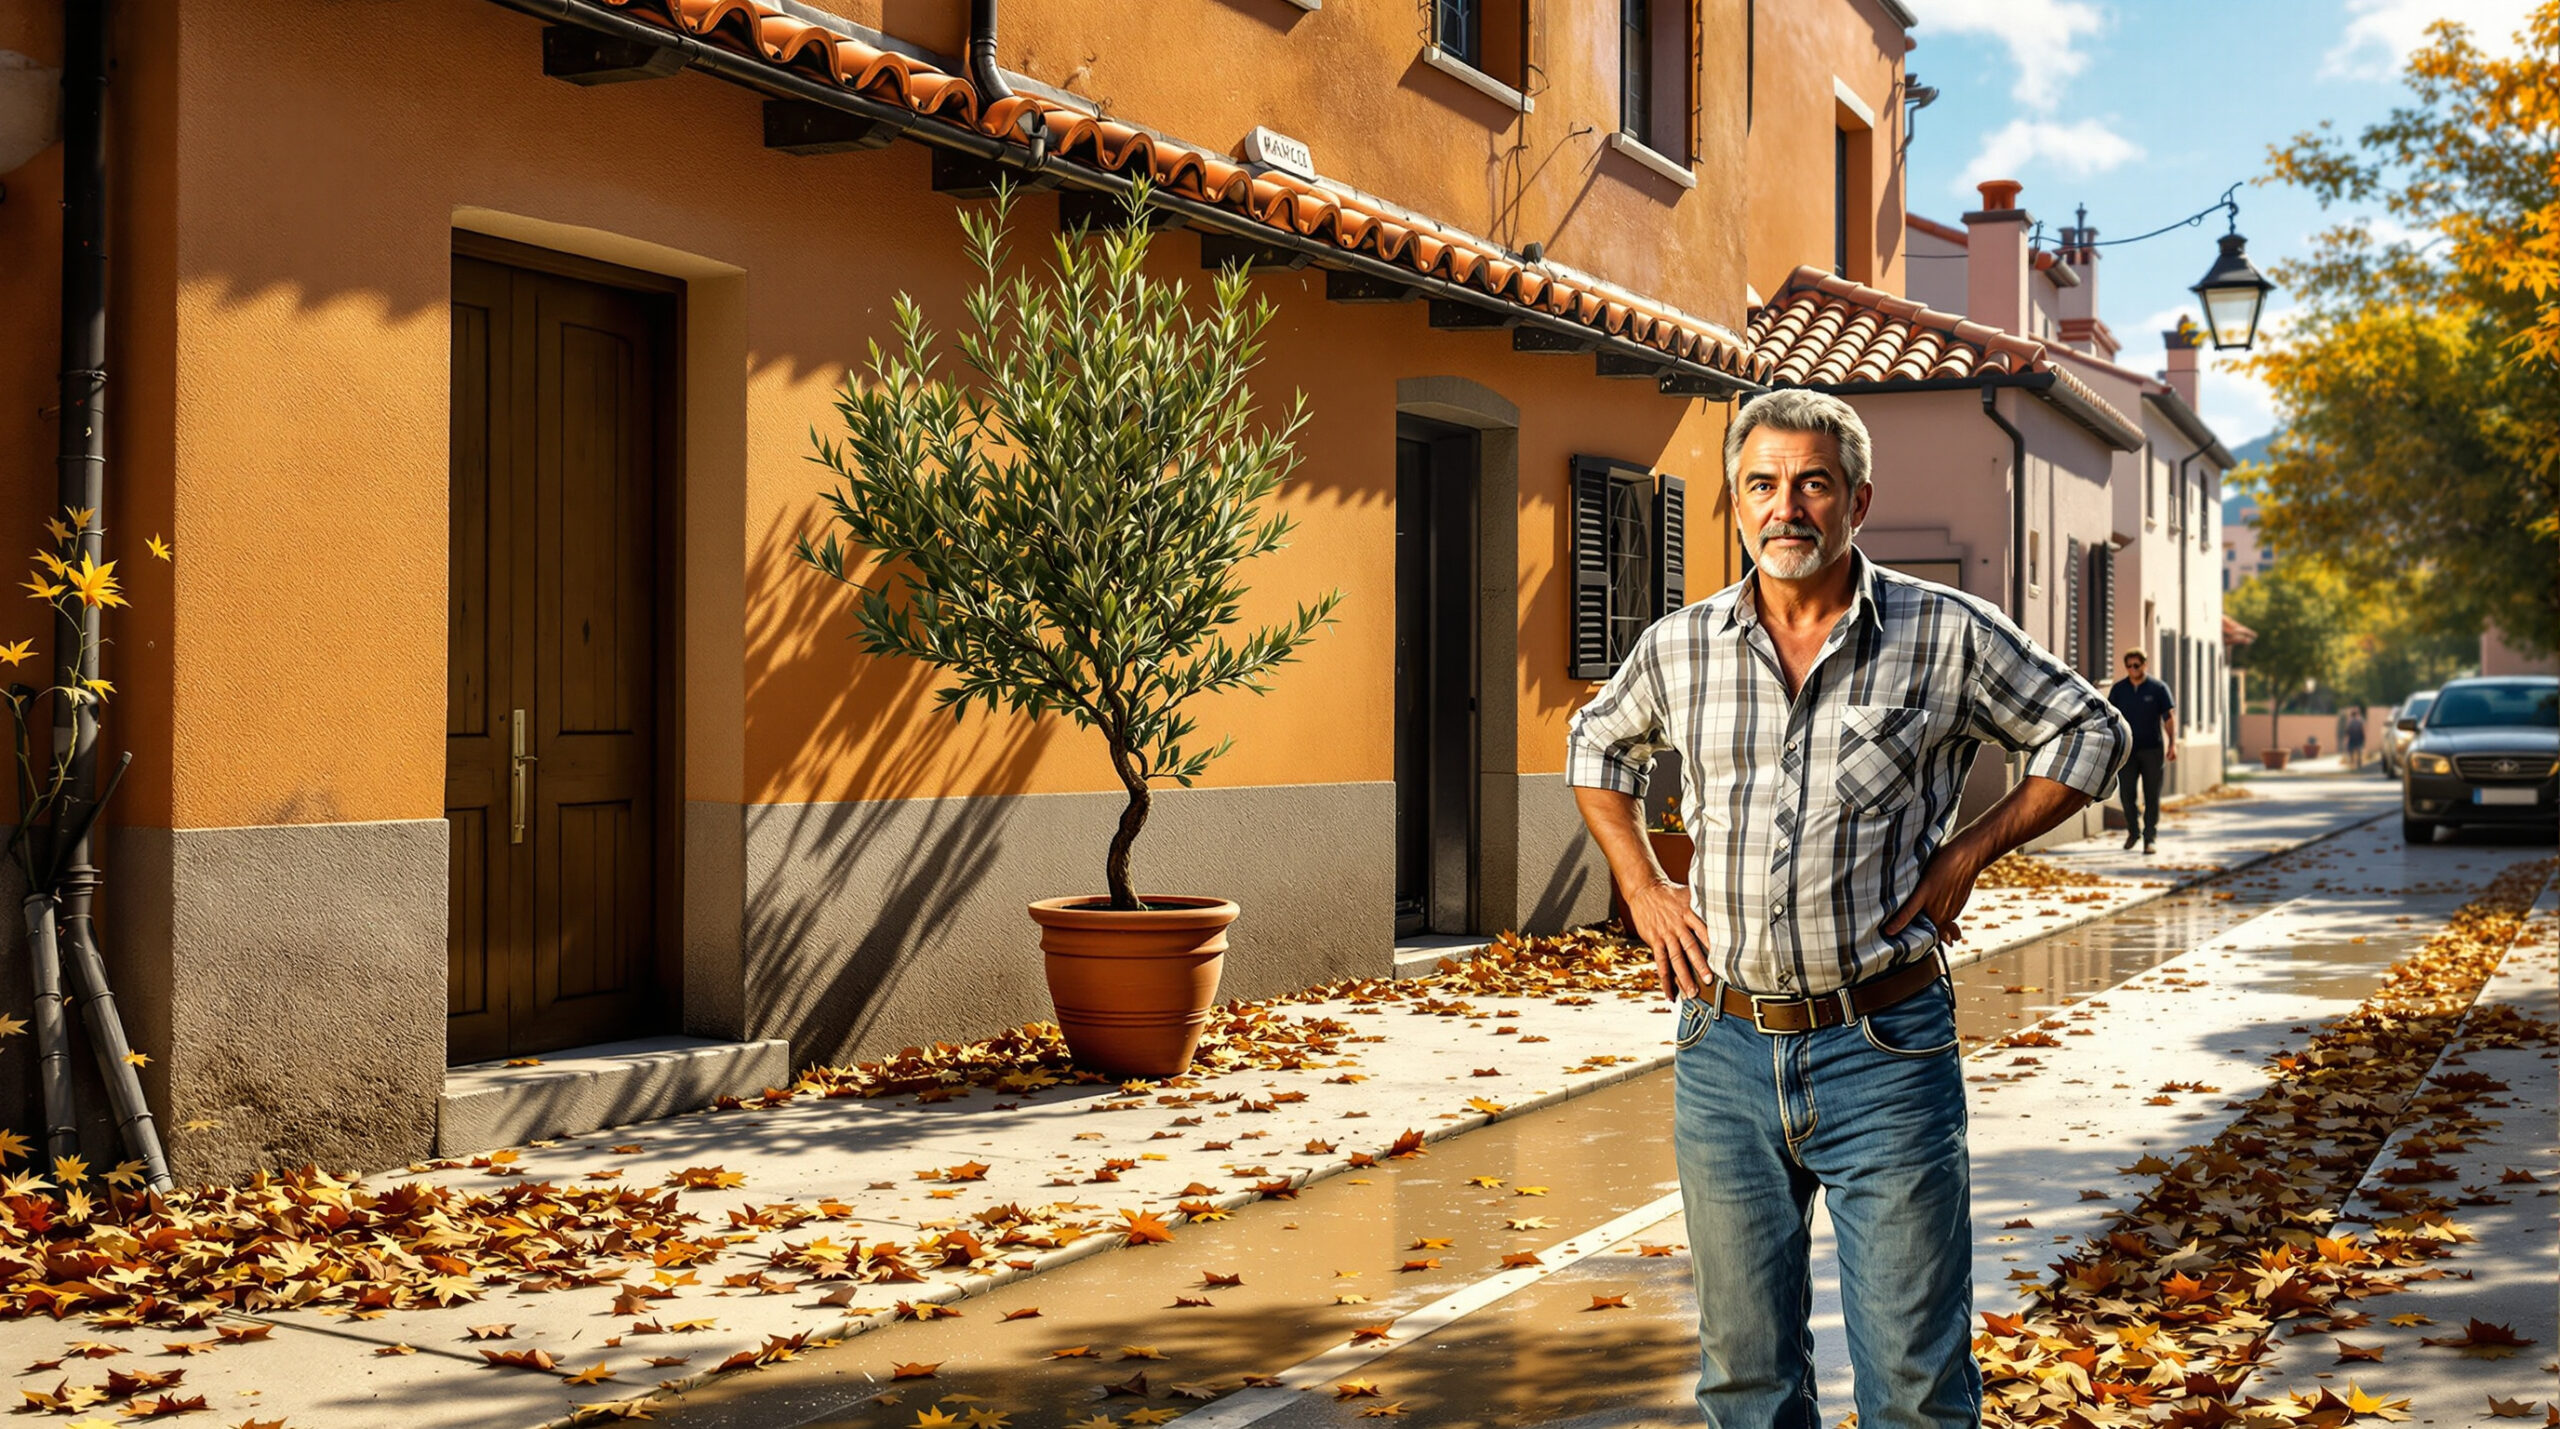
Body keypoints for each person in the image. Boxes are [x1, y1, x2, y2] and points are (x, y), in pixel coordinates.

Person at [1565, 390, 2130, 1429]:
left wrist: (1969, 850)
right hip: (1722, 1050)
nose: (1788, 508)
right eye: (1763, 485)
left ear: (1857, 500)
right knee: (1746, 1381)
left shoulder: (1942, 634)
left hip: (1885, 1048)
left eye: (1813, 484)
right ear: (1736, 503)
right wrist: (1642, 886)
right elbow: (1593, 747)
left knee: (1914, 1385)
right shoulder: (1678, 647)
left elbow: (2089, 734)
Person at [2107, 650, 2177, 853]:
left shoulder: (2158, 688)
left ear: (2145, 665)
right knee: (2127, 795)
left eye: (2136, 665)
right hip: (2127, 751)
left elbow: (2169, 717)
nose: (2132, 669)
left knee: (2151, 795)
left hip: (2152, 749)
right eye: (2129, 666)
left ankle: (2149, 838)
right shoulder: (2119, 690)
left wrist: (2173, 744)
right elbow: (2111, 718)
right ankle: (2133, 831)